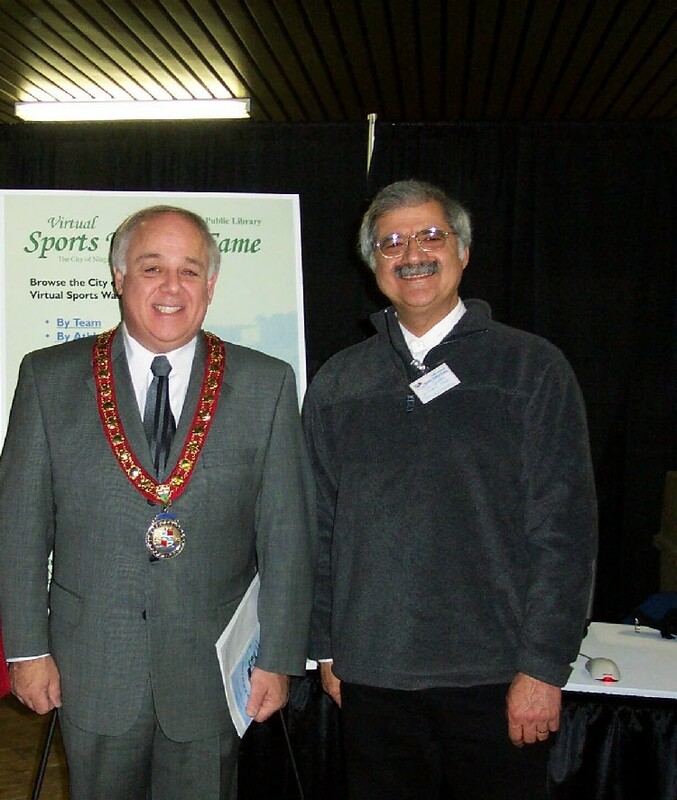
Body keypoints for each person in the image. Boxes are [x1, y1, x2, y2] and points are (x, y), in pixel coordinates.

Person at [0, 205, 316, 800]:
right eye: (152, 268)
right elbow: (18, 529)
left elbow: (289, 537)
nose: (172, 287)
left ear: (211, 285)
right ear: (119, 277)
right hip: (92, 666)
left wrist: (278, 657)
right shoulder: (49, 378)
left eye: (189, 271)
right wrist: (26, 650)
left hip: (212, 675)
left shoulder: (266, 384)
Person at [302, 180, 597, 799]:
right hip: (372, 676)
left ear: (463, 252)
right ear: (374, 265)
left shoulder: (532, 369)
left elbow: (564, 531)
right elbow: (317, 526)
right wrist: (326, 647)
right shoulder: (339, 382)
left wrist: (543, 668)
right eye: (391, 243)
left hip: (496, 679)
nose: (412, 253)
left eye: (431, 236)